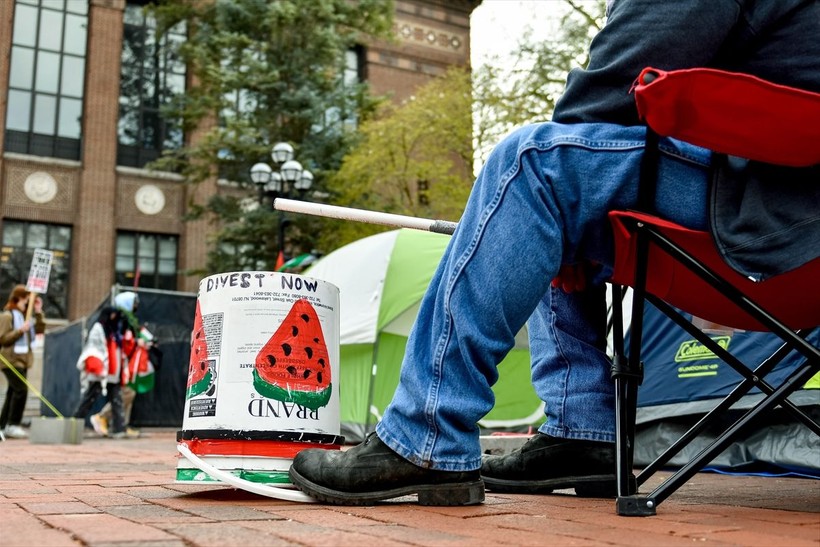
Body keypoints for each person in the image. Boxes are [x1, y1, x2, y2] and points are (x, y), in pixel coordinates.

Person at [287, 0, 820, 505]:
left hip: (781, 212)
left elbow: (625, 70)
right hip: (791, 218)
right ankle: (583, 430)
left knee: (531, 164)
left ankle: (428, 433)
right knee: (559, 180)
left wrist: (548, 209)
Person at [89, 292, 147, 439]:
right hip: (119, 364)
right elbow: (123, 344)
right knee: (125, 393)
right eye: (133, 303)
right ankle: (102, 417)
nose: (135, 307)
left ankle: (121, 425)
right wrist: (135, 343)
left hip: (124, 363)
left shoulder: (127, 321)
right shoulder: (121, 321)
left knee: (127, 393)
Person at [74, 306, 129, 439]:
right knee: (89, 398)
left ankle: (119, 428)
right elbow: (94, 348)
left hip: (113, 373)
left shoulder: (115, 330)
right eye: (113, 315)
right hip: (101, 372)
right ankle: (74, 425)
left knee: (117, 400)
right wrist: (100, 368)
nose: (114, 318)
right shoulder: (99, 328)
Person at [0, 285, 46, 439]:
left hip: (23, 360)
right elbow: (3, 339)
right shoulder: (8, 316)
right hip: (10, 360)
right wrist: (20, 331)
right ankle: (13, 424)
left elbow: (40, 330)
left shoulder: (27, 317)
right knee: (21, 390)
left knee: (12, 392)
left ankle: (3, 425)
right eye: (27, 300)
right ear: (19, 298)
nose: (28, 304)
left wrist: (38, 312)